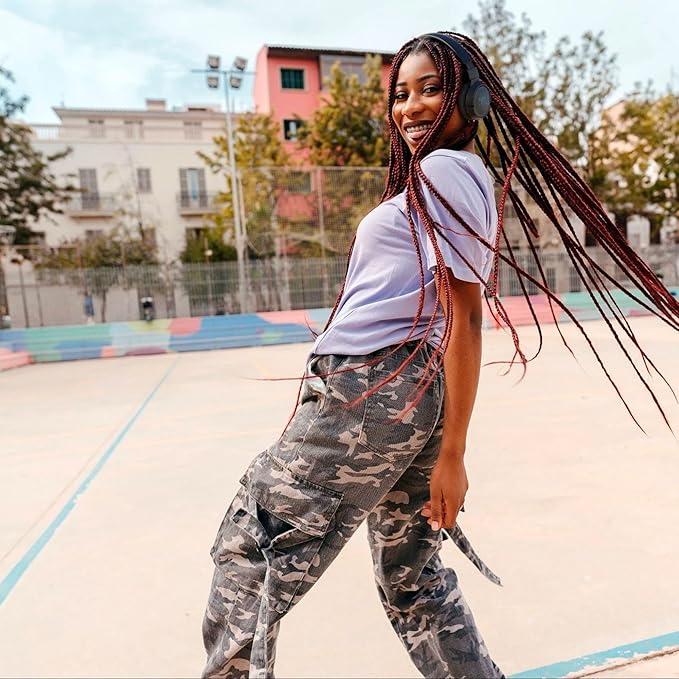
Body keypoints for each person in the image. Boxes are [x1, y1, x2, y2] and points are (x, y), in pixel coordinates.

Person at [201, 32, 679, 679]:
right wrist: (444, 441)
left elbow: (467, 314)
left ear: (471, 99)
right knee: (413, 581)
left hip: (368, 393)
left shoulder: (445, 171)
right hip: (408, 395)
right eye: (401, 93)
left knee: (249, 551)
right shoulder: (454, 178)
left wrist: (454, 452)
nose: (412, 106)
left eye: (432, 89)